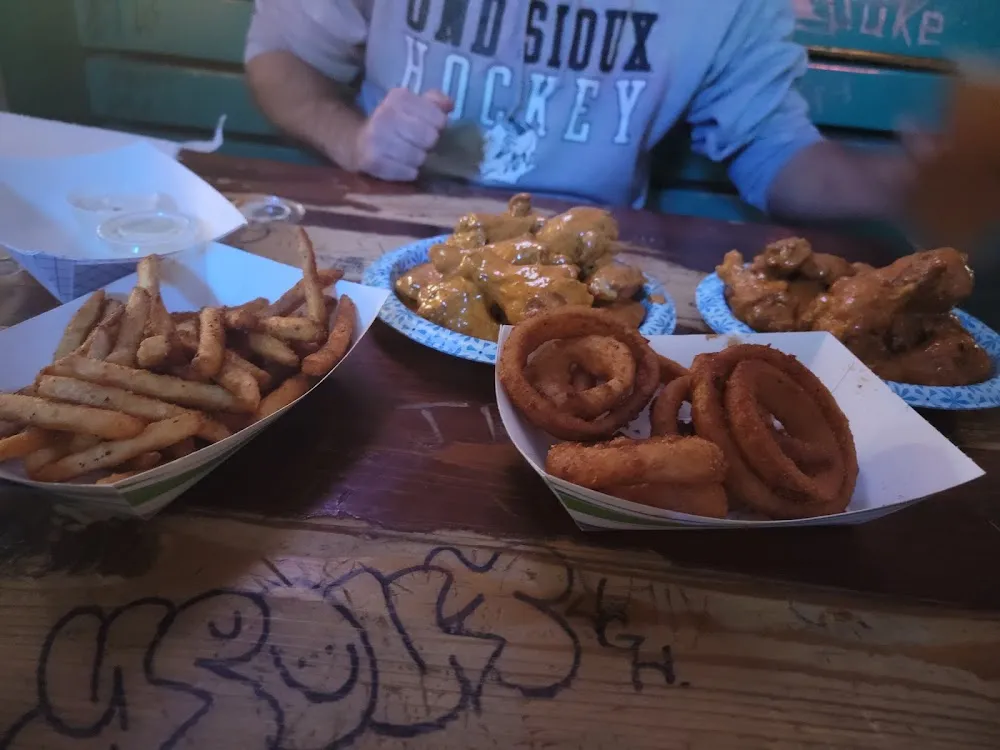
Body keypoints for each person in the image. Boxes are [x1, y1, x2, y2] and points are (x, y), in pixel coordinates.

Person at [244, 0, 914, 220]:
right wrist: (352, 139)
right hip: (379, 235)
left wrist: (908, 182)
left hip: (588, 278)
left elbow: (773, 150)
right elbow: (280, 57)